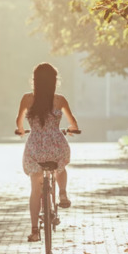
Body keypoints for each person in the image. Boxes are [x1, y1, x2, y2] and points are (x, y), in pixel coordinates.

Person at [15, 62, 79, 242]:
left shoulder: (27, 99)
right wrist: (72, 129)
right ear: (54, 80)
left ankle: (35, 230)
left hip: (35, 148)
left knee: (35, 189)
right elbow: (72, 122)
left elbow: (19, 122)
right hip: (56, 146)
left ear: (34, 80)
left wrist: (20, 130)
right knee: (60, 166)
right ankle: (63, 193)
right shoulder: (60, 100)